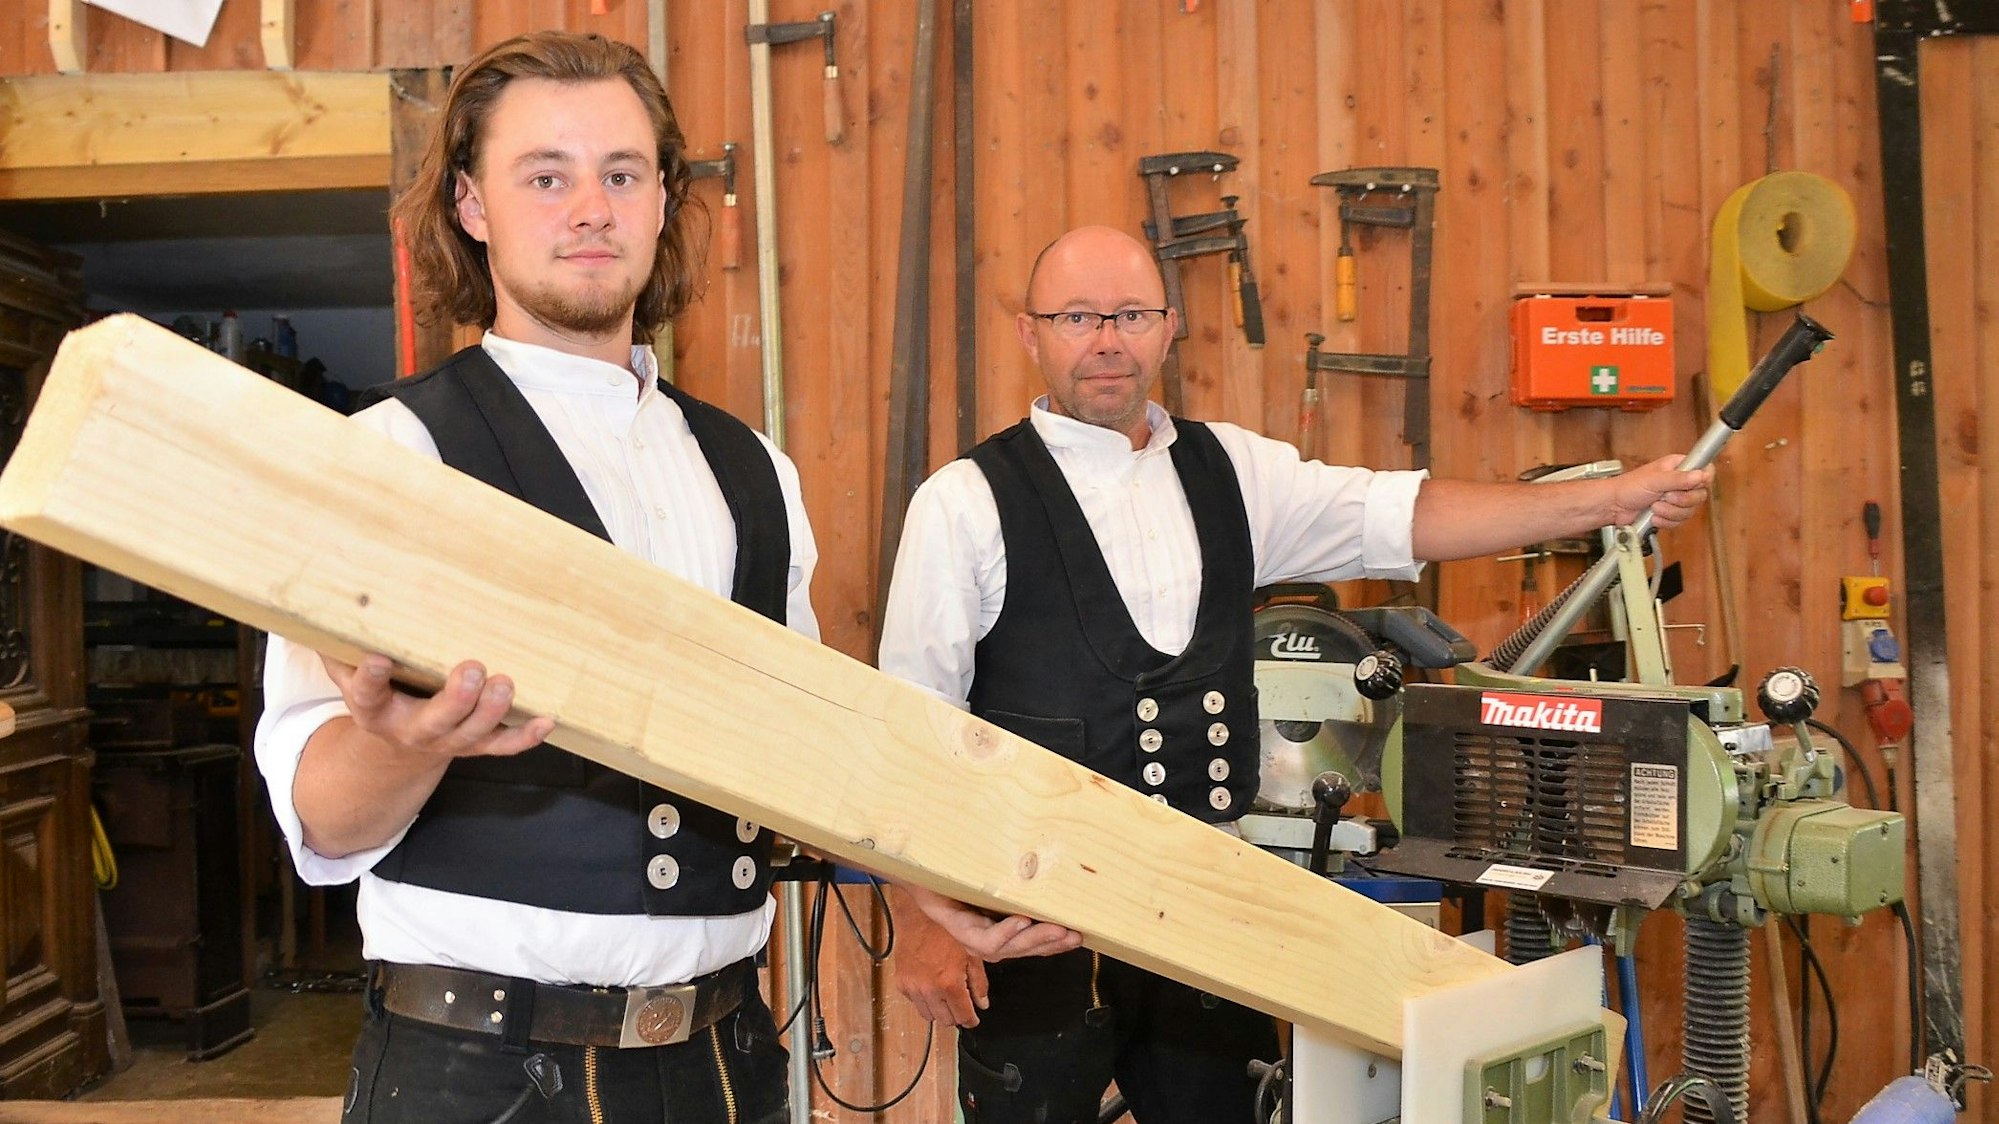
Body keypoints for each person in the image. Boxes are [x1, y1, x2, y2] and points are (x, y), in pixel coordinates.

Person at [875, 225, 1713, 1124]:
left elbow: (1404, 515)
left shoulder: (1231, 471)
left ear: (1168, 326)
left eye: (1130, 314)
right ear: (1029, 333)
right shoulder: (963, 502)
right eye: (1077, 316)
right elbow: (905, 729)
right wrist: (921, 919)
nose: (1107, 340)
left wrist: (1608, 498)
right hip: (1028, 930)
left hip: (1207, 919)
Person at [253, 31, 815, 1124]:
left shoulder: (760, 473)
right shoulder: (385, 459)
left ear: (661, 202)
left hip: (725, 1062)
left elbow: (803, 761)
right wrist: (400, 742)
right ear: (472, 206)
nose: (590, 208)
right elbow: (319, 821)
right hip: (478, 1075)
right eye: (544, 177)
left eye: (621, 174)